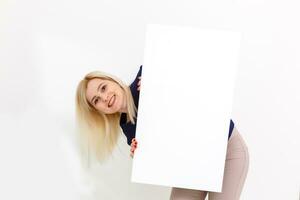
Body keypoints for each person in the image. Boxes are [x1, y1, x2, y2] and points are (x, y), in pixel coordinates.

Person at [75, 65, 249, 199]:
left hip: (225, 149)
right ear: (98, 111)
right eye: (96, 100)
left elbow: (197, 79)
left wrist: (164, 80)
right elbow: (167, 154)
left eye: (103, 88)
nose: (105, 97)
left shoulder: (147, 74)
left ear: (113, 81)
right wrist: (144, 156)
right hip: (194, 165)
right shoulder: (127, 127)